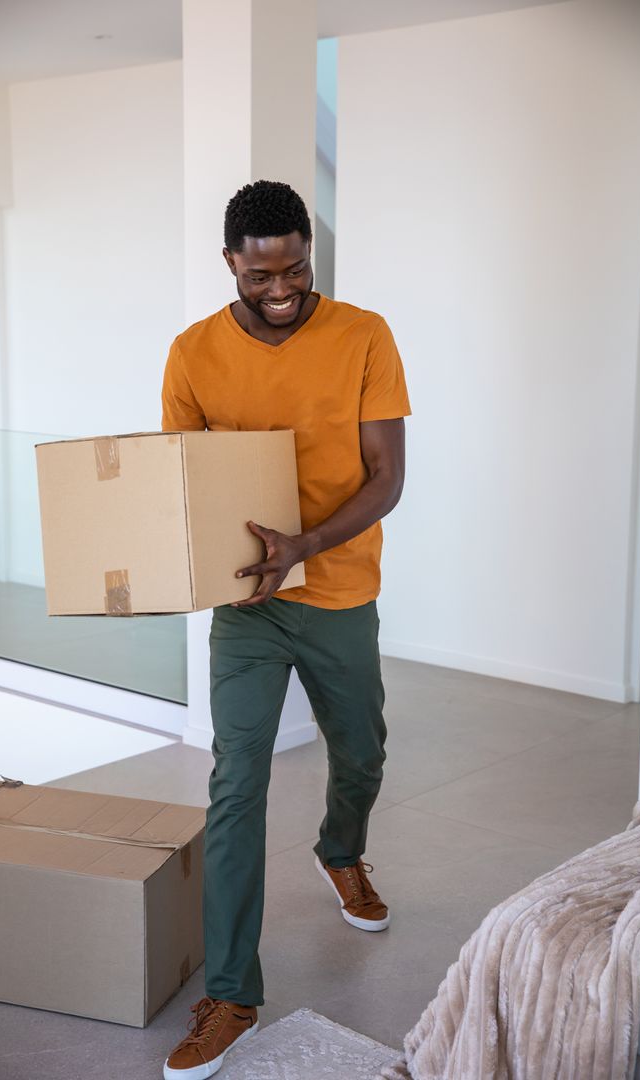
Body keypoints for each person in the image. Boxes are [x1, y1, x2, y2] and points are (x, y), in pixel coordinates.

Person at [160, 180, 411, 1079]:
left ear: (309, 253)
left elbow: (386, 476)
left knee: (363, 752)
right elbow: (184, 483)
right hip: (250, 608)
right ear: (231, 262)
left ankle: (341, 852)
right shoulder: (192, 354)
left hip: (339, 590)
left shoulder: (364, 334)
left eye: (297, 268)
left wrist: (306, 543)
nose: (282, 288)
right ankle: (231, 994)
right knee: (237, 785)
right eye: (263, 272)